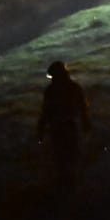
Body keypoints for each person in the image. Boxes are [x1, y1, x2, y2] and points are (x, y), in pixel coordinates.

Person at [37, 60, 91, 188]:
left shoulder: (52, 91)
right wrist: (85, 122)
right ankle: (69, 179)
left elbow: (46, 112)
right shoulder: (73, 87)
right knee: (68, 154)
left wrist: (41, 128)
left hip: (61, 127)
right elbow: (82, 107)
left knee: (64, 154)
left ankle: (67, 180)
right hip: (66, 126)